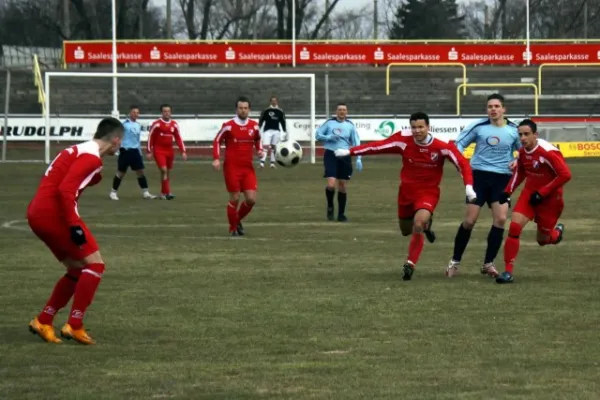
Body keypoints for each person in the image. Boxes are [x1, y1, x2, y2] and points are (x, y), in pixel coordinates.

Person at [334, 112, 476, 281]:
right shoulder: (403, 140)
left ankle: (410, 264)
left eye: (421, 127)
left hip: (428, 193)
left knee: (418, 223)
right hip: (406, 193)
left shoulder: (442, 146)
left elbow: (463, 164)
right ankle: (427, 225)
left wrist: (468, 186)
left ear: (428, 127)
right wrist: (350, 152)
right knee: (405, 230)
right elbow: (377, 146)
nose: (417, 131)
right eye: (414, 127)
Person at [27, 117, 124, 345]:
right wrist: (73, 225)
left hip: (38, 213)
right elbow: (65, 190)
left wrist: (93, 178)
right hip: (55, 215)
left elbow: (65, 178)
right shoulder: (90, 158)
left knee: (78, 267)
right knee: (95, 265)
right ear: (116, 140)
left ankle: (43, 320)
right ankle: (75, 325)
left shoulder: (79, 149)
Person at [446, 93, 520, 278]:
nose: (493, 109)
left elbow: (525, 149)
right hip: (479, 176)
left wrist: (517, 161)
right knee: (470, 221)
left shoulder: (514, 129)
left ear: (504, 109)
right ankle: (454, 261)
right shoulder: (479, 126)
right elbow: (459, 144)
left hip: (502, 178)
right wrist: (461, 163)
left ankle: (488, 263)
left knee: (501, 219)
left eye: (496, 106)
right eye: (490, 107)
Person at [495, 119, 571, 284]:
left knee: (542, 240)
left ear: (535, 134)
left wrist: (543, 192)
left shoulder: (548, 152)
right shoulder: (523, 152)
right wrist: (507, 191)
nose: (523, 138)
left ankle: (555, 234)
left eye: (526, 134)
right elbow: (520, 172)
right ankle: (507, 272)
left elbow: (565, 175)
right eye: (520, 134)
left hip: (550, 200)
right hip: (530, 195)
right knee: (514, 227)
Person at [212, 96, 265, 236]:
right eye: (241, 108)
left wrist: (260, 150)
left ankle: (236, 220)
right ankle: (233, 228)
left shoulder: (254, 125)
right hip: (232, 167)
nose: (243, 111)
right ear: (236, 109)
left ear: (249, 109)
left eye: (245, 108)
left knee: (251, 199)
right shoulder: (228, 125)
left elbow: (258, 140)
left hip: (247, 168)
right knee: (235, 197)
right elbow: (217, 141)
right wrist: (216, 158)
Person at [315, 103, 363, 222]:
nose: (342, 111)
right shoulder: (329, 123)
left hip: (345, 155)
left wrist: (359, 158)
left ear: (347, 112)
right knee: (331, 184)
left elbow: (356, 142)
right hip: (331, 154)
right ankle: (330, 205)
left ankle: (341, 214)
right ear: (336, 112)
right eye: (340, 110)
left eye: (344, 110)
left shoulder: (350, 126)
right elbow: (318, 135)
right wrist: (328, 137)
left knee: (342, 185)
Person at [109, 105, 157, 200]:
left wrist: (139, 151)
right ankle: (113, 192)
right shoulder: (124, 124)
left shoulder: (138, 125)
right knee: (121, 172)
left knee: (140, 172)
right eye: (134, 112)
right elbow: (118, 137)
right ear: (130, 113)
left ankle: (145, 192)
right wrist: (118, 149)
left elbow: (137, 140)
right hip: (125, 151)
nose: (136, 114)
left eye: (137, 113)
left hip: (135, 151)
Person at [146, 104, 187, 200]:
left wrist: (183, 151)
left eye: (168, 111)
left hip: (169, 151)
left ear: (171, 112)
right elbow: (150, 137)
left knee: (166, 172)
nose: (167, 113)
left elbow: (178, 138)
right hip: (159, 150)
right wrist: (149, 150)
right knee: (163, 170)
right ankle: (167, 193)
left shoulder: (174, 124)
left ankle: (163, 193)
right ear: (162, 112)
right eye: (165, 111)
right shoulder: (157, 124)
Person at [258, 96, 287, 168]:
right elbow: (261, 119)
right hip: (267, 131)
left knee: (274, 147)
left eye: (275, 101)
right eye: (272, 101)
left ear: (277, 102)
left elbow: (283, 121)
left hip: (276, 131)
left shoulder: (280, 111)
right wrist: (259, 127)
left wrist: (284, 129)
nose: (274, 102)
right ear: (270, 102)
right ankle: (262, 163)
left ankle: (272, 164)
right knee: (265, 146)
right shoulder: (266, 110)